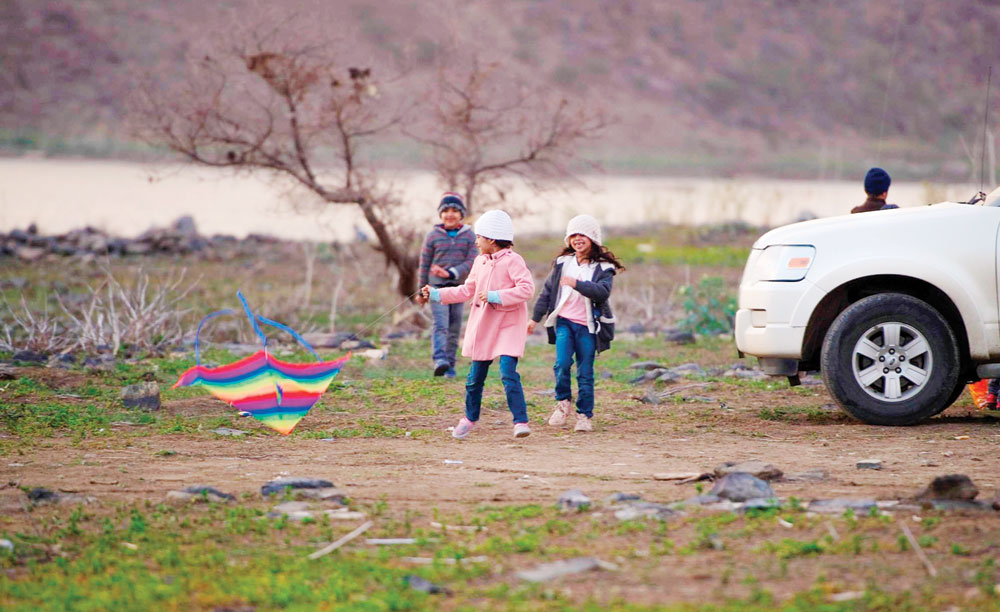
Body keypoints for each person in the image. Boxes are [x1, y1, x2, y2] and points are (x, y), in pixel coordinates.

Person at [420, 210, 535, 439]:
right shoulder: (479, 261)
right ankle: (470, 418)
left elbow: (527, 289)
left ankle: (520, 422)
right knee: (475, 378)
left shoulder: (514, 261)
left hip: (508, 325)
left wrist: (495, 296)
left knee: (508, 373)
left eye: (479, 237)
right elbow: (466, 290)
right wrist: (436, 294)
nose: (476, 241)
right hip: (485, 326)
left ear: (491, 239)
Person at [529, 214, 625, 432]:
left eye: (582, 234)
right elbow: (547, 293)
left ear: (592, 238)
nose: (577, 239)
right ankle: (563, 403)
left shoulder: (603, 267)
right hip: (565, 323)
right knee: (561, 364)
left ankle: (584, 415)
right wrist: (534, 318)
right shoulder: (563, 263)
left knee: (585, 372)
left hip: (588, 328)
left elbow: (602, 292)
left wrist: (577, 284)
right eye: (573, 235)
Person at [415, 192, 477, 378]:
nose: (450, 214)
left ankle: (449, 364)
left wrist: (451, 272)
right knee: (440, 324)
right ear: (440, 214)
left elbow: (472, 260)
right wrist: (421, 290)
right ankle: (439, 360)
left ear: (461, 214)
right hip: (436, 289)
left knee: (454, 327)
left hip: (459, 288)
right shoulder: (433, 236)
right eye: (446, 211)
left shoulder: (469, 236)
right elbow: (424, 264)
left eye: (455, 211)